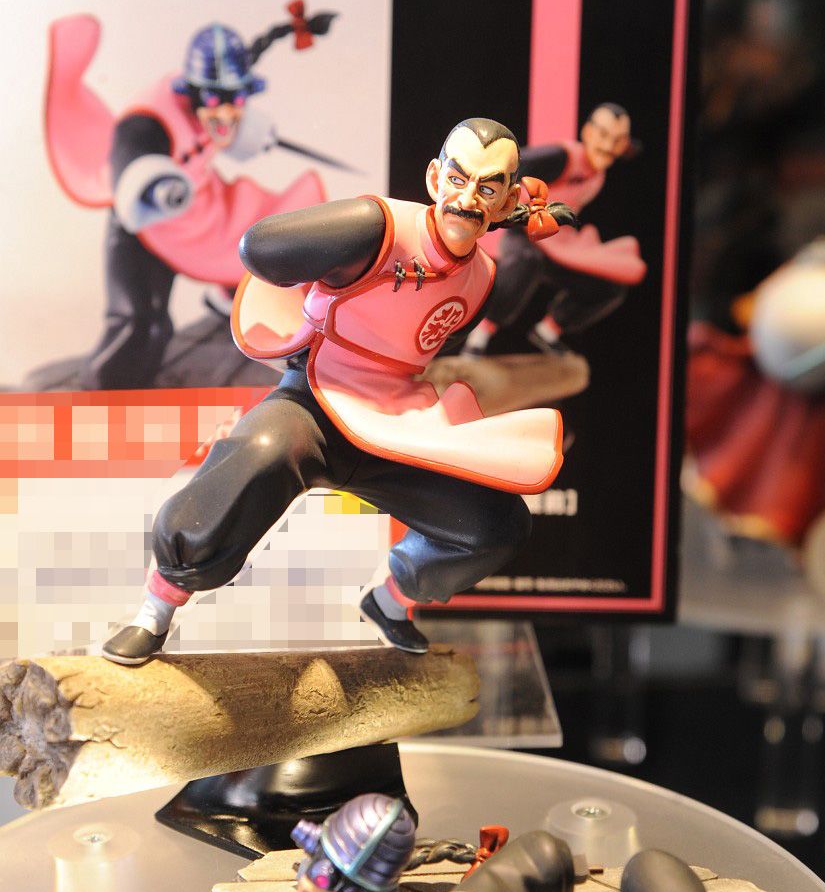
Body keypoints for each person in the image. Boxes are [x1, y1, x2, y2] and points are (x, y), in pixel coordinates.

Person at [102, 117, 576, 665]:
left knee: (494, 524)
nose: (467, 200)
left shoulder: (483, 277)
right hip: (316, 399)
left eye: (488, 189)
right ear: (433, 178)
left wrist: (510, 222)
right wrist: (349, 235)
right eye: (457, 178)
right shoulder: (381, 228)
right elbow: (262, 248)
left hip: (396, 418)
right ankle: (156, 608)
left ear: (509, 199)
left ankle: (392, 600)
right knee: (258, 453)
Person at [44, 2, 339, 388]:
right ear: (194, 92)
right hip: (147, 226)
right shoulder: (147, 121)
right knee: (141, 323)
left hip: (202, 214)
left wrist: (294, 28)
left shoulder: (223, 98)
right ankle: (101, 397)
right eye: (215, 101)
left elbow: (256, 49)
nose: (227, 113)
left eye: (237, 100)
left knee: (260, 234)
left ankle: (234, 296)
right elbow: (128, 159)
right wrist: (155, 185)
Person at [462, 103, 646, 356]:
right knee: (527, 260)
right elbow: (514, 164)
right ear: (588, 132)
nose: (607, 145)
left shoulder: (598, 174)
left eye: (616, 140)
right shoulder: (563, 157)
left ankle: (548, 331)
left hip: (558, 243)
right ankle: (479, 337)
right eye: (603, 135)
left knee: (609, 286)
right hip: (524, 231)